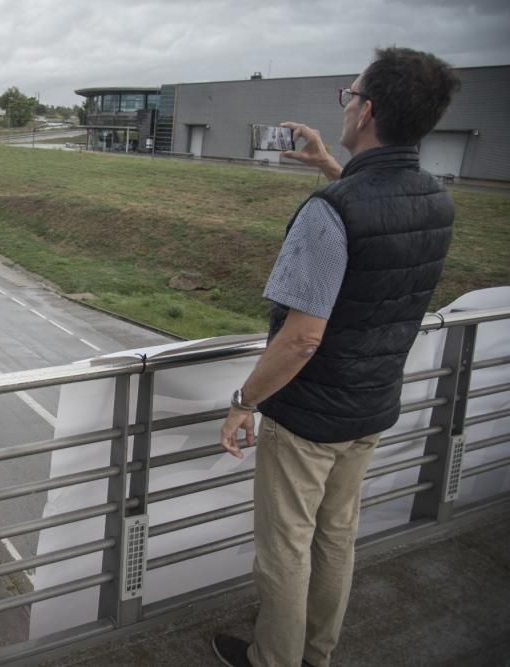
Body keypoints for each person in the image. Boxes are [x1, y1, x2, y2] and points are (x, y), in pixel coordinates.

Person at [212, 47, 461, 667]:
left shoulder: (330, 212)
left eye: (348, 96)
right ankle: (317, 655)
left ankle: (274, 660)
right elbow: (375, 226)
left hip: (309, 418)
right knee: (336, 539)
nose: (345, 105)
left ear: (367, 109)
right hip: (372, 406)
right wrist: (331, 163)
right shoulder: (434, 198)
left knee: (285, 550)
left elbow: (301, 337)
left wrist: (245, 401)